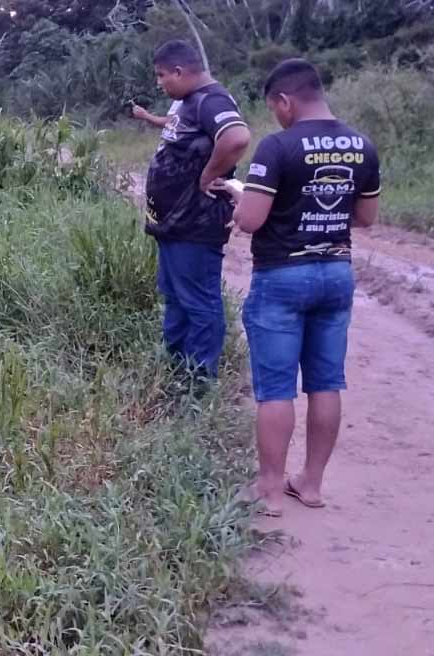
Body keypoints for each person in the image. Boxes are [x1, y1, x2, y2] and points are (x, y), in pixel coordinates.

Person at [211, 59, 380, 517]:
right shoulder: (362, 146)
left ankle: (268, 488)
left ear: (285, 101)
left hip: (283, 275)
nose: (277, 117)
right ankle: (311, 484)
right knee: (327, 382)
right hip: (336, 273)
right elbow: (365, 219)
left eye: (275, 108)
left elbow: (250, 220)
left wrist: (240, 192)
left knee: (276, 388)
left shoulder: (279, 147)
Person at [143, 40, 251, 385]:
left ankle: (199, 384)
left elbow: (235, 138)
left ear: (179, 71)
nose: (160, 82)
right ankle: (175, 371)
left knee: (199, 301)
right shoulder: (186, 102)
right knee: (175, 296)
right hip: (174, 222)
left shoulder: (211, 100)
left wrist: (208, 175)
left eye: (162, 75)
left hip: (196, 222)